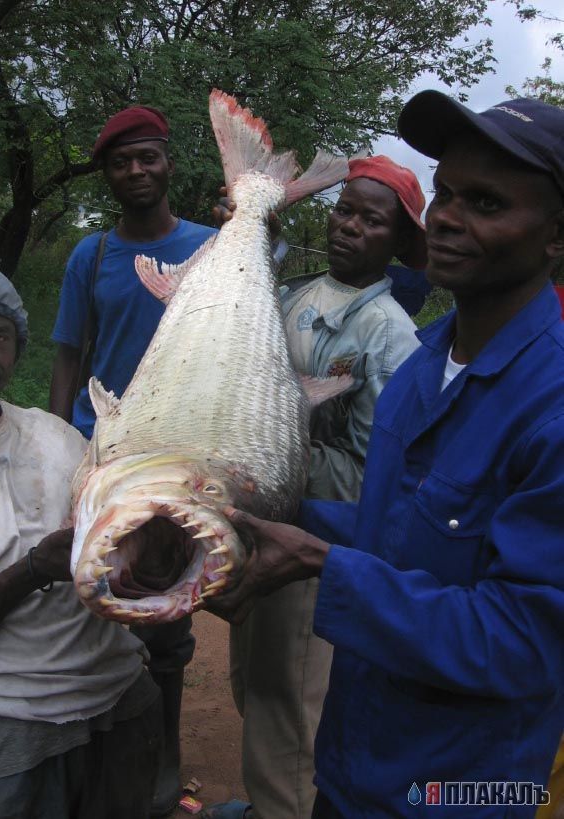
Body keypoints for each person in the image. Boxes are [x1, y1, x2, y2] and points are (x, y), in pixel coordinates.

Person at [207, 92, 564, 818]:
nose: (447, 219)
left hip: (458, 789)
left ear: (555, 237)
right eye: (446, 193)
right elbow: (397, 532)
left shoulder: (551, 403)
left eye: (487, 203)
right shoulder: (421, 370)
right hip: (352, 759)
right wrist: (260, 513)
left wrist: (319, 565)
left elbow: (524, 641)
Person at [219, 157, 427, 819]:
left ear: (396, 243)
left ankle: (285, 806)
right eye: (345, 210)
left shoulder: (387, 333)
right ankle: (263, 801)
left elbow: (375, 475)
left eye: (372, 220)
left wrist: (281, 458)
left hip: (311, 543)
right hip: (263, 518)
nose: (349, 227)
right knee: (253, 678)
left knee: (292, 700)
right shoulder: (298, 295)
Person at [50, 105, 217, 817]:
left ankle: (163, 760)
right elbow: (67, 355)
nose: (136, 171)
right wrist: (57, 442)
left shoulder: (212, 248)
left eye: (147, 157)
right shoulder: (89, 257)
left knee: (163, 616)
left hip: (172, 461)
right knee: (88, 601)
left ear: (168, 162)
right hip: (104, 455)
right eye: (122, 162)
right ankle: (87, 754)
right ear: (108, 175)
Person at [0, 256, 162, 818]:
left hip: (118, 700)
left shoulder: (59, 436)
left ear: (16, 350)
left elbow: (127, 565)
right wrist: (33, 570)